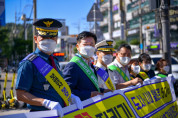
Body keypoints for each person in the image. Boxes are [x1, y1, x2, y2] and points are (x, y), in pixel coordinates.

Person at [16, 18, 83, 118]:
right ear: (35, 39)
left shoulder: (54, 61)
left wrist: (70, 96)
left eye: (52, 37)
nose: (48, 41)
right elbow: (20, 94)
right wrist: (45, 102)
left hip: (60, 113)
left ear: (56, 39)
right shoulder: (29, 63)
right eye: (44, 37)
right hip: (41, 114)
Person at [63, 31, 111, 101]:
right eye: (85, 44)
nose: (89, 47)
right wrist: (89, 94)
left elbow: (91, 88)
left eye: (92, 45)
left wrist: (103, 91)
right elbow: (66, 91)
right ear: (77, 47)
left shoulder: (90, 65)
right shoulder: (73, 65)